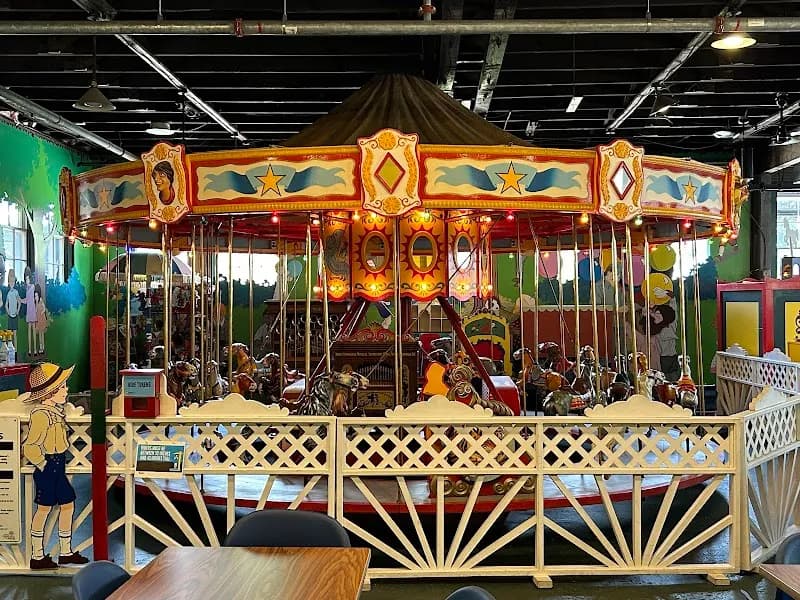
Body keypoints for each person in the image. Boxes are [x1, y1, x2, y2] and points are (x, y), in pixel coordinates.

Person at [22, 363, 89, 569]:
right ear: (49, 392)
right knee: (44, 509)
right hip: (49, 466)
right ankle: (37, 555)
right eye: (62, 387)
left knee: (68, 504)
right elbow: (30, 446)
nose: (66, 390)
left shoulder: (55, 413)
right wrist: (43, 464)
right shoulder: (41, 415)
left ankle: (65, 551)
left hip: (58, 464)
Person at [33, 287, 50, 356]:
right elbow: (35, 311)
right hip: (38, 320)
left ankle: (42, 347)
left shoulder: (41, 300)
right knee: (40, 334)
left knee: (42, 334)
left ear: (39, 295)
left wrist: (42, 312)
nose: (36, 297)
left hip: (42, 319)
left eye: (36, 296)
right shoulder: (36, 303)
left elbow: (43, 308)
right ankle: (41, 347)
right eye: (35, 296)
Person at [5, 268, 20, 346]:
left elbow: (19, 302)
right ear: (8, 282)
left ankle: (16, 350)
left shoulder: (16, 292)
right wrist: (8, 312)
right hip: (10, 315)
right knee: (9, 334)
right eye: (10, 282)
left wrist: (17, 311)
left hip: (15, 315)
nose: (12, 283)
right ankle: (9, 350)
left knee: (15, 334)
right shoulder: (8, 293)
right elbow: (6, 304)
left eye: (13, 282)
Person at [25, 269, 37, 357]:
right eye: (26, 279)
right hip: (29, 311)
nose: (27, 281)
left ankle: (35, 349)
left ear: (30, 279)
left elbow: (30, 299)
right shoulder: (27, 288)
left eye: (28, 279)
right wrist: (19, 300)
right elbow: (26, 300)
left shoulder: (32, 287)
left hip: (32, 310)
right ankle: (30, 349)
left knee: (33, 330)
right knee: (29, 331)